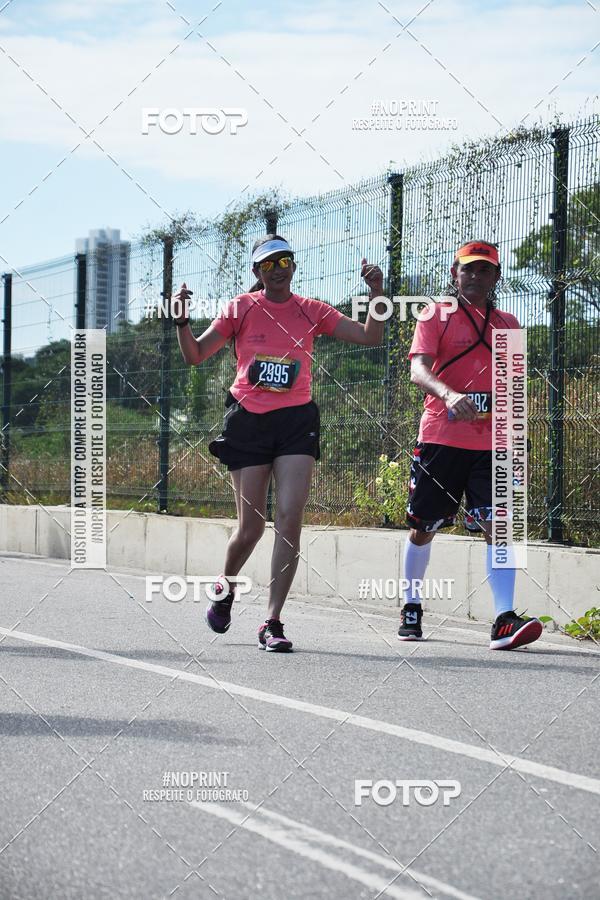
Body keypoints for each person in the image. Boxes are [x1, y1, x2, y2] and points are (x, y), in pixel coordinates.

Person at [174, 234, 386, 651]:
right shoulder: (240, 308)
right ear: (257, 273)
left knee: (289, 520)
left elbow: (369, 337)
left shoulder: (310, 310)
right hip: (249, 421)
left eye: (284, 261)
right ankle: (226, 585)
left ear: (293, 266)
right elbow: (196, 355)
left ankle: (272, 621)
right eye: (269, 264)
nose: (278, 269)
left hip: (296, 421)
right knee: (251, 528)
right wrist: (182, 321)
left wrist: (377, 294)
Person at [399, 240, 542, 650]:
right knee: (424, 528)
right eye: (469, 269)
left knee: (501, 525)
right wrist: (447, 395)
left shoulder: (508, 324)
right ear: (454, 273)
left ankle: (503, 618)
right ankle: (411, 605)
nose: (475, 277)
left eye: (485, 270)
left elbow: (514, 389)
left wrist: (517, 444)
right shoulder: (435, 316)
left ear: (496, 277)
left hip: (492, 445)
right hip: (441, 438)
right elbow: (418, 370)